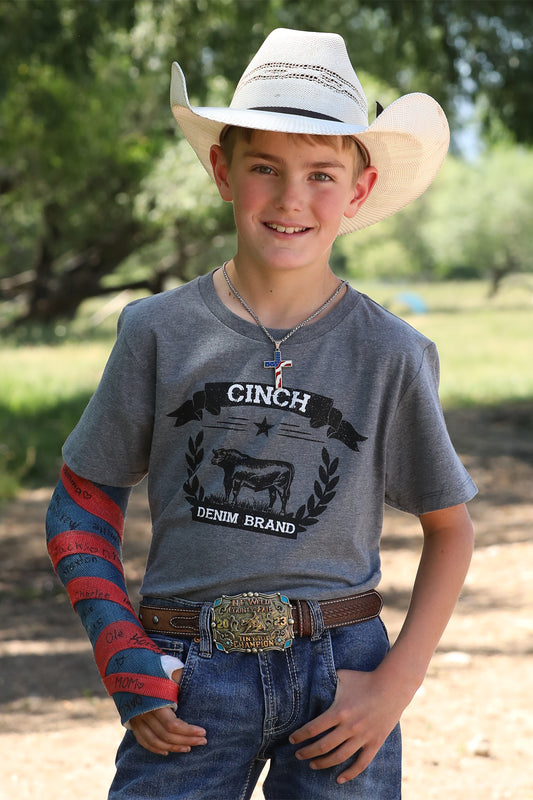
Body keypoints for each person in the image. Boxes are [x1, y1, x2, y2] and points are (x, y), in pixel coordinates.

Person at [46, 28, 476, 799]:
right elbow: (80, 504)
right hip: (186, 681)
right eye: (264, 168)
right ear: (222, 171)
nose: (290, 199)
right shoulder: (156, 331)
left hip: (343, 671)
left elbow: (450, 527)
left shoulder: (391, 351)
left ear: (358, 188)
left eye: (319, 173)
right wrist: (123, 655)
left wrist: (392, 688)